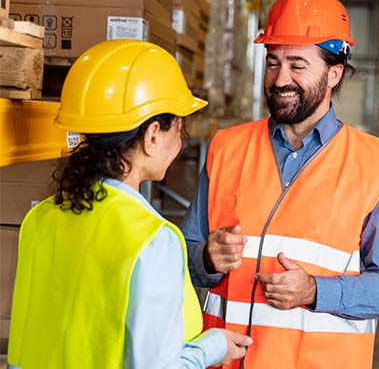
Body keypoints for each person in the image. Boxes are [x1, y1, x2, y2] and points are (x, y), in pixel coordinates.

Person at [181, 0, 379, 369]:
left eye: (297, 65)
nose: (279, 79)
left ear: (334, 73)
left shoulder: (375, 163)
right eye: (273, 62)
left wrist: (315, 290)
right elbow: (185, 252)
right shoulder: (226, 148)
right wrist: (205, 256)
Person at [7, 40, 252, 369]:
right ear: (152, 135)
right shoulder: (151, 240)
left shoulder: (40, 218)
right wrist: (213, 347)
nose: (181, 144)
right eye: (179, 130)